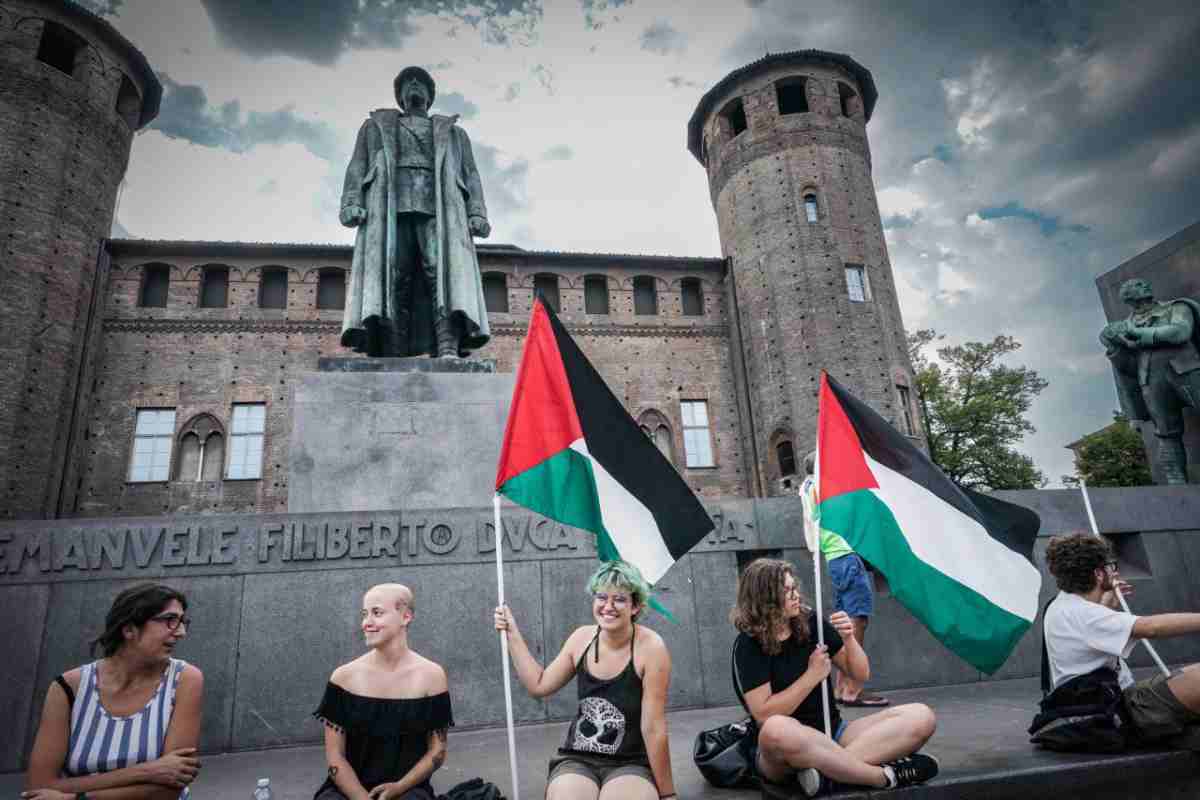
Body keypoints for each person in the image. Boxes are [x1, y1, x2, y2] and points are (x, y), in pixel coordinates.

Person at [731, 558, 938, 797]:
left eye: (794, 587)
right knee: (776, 728)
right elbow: (764, 714)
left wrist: (849, 638)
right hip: (785, 749)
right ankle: (881, 777)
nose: (796, 595)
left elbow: (861, 674)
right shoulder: (748, 644)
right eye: (786, 591)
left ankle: (827, 777)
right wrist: (811, 676)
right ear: (765, 598)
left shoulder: (809, 623)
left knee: (922, 716)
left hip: (835, 734)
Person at [339, 65, 492, 359]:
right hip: (389, 207)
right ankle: (392, 348)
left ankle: (447, 345)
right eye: (407, 83)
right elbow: (357, 165)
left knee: (440, 273)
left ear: (430, 94)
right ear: (399, 95)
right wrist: (350, 201)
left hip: (439, 208)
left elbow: (471, 174)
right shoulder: (375, 127)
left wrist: (477, 211)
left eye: (420, 82)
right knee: (394, 275)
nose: (414, 86)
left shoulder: (454, 133)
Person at [494, 560, 677, 800]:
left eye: (619, 599)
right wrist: (511, 633)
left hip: (631, 762)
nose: (608, 606)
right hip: (578, 759)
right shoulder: (581, 638)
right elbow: (539, 684)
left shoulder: (651, 648)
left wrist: (667, 793)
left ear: (635, 607)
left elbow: (653, 728)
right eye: (602, 597)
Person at [23, 583, 204, 800]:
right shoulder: (68, 688)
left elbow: (169, 789)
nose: (181, 632)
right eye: (170, 620)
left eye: (183, 622)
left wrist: (75, 797)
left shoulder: (185, 679)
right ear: (129, 629)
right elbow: (39, 787)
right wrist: (148, 771)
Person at [1043, 533, 1200, 745]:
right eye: (1111, 566)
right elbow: (1151, 628)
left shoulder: (1060, 605)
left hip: (1105, 702)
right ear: (1099, 573)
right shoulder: (1084, 613)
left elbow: (1087, 629)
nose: (1114, 570)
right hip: (1121, 709)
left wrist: (1105, 604)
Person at [313, 583, 452, 800]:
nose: (366, 623)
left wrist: (398, 788)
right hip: (347, 791)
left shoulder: (431, 676)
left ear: (405, 617)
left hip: (407, 790)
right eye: (364, 614)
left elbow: (437, 752)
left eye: (377, 613)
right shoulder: (343, 677)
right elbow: (335, 756)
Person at [800, 451, 886, 707]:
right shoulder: (821, 486)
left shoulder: (807, 486)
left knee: (847, 623)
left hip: (836, 559)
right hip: (846, 556)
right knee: (857, 622)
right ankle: (852, 689)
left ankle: (841, 687)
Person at [1099, 278, 1200, 484]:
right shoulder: (1123, 326)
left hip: (1186, 369)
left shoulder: (1177, 307)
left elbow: (1180, 332)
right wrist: (1114, 347)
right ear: (1126, 297)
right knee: (1166, 434)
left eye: (1144, 283)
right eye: (1135, 285)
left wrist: (1137, 334)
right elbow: (1127, 368)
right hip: (1151, 381)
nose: (1144, 285)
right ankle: (1177, 486)